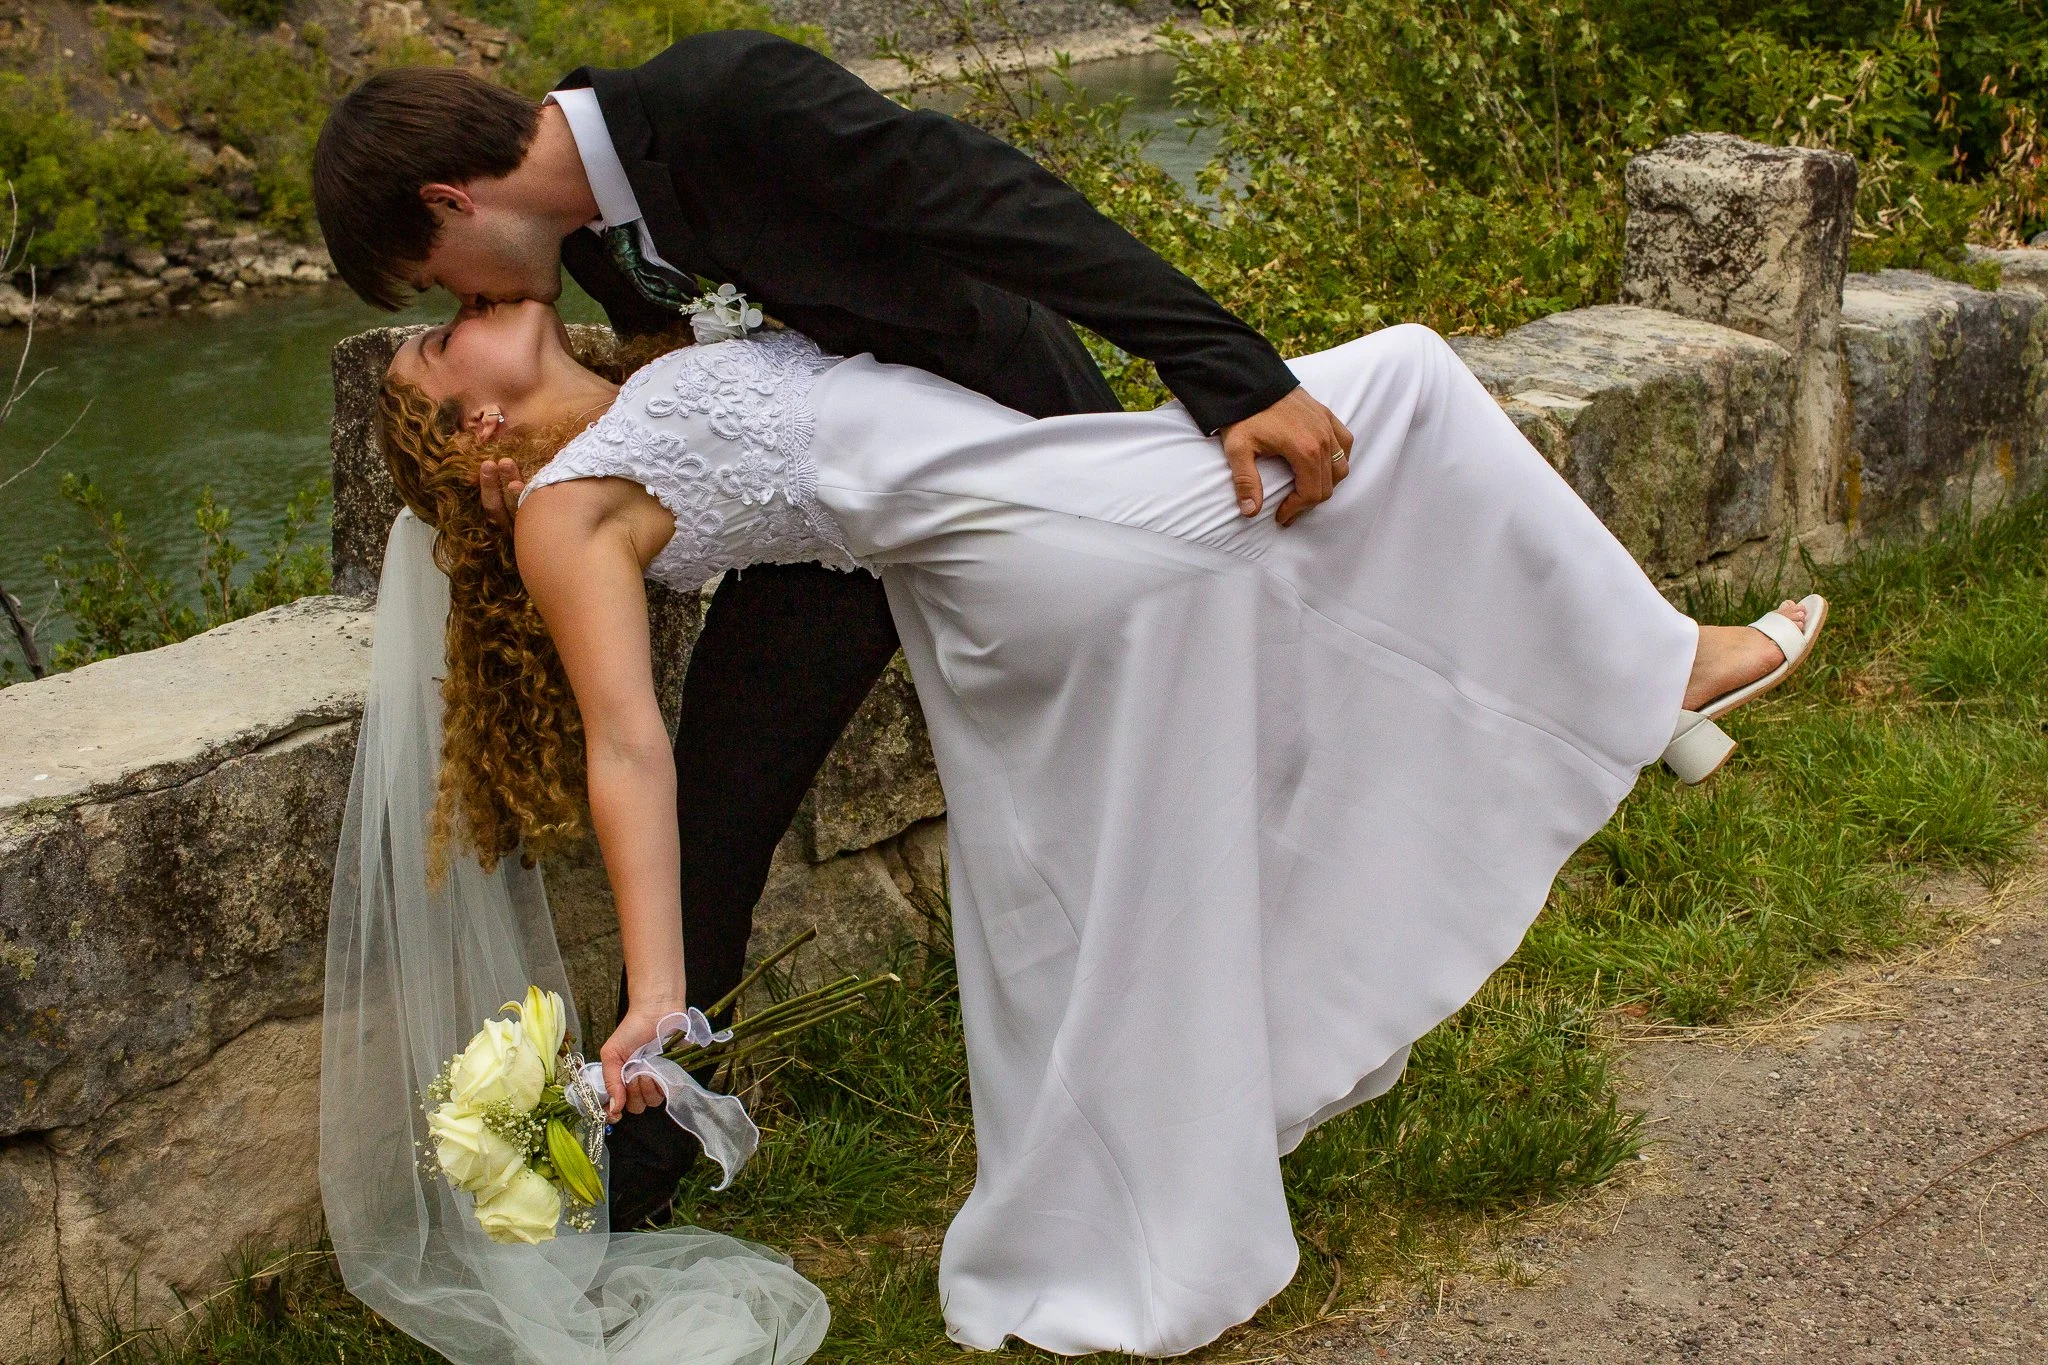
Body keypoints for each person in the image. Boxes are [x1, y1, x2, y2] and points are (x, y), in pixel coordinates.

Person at [368, 296, 1826, 1356]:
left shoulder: (650, 357)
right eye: (446, 333)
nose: (467, 302)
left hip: (1030, 510)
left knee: (1291, 632)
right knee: (1411, 385)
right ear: (475, 423)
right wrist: (663, 990)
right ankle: (1661, 668)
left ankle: (1624, 686)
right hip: (1044, 532)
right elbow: (631, 748)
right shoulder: (565, 511)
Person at [311, 34, 1356, 1229]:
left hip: (998, 448)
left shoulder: (729, 97)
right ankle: (639, 1150)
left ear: (451, 201)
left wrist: (1228, 370)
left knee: (1103, 788)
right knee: (718, 801)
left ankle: (1251, 1042)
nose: (466, 300)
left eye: (437, 278)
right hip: (826, 526)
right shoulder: (589, 245)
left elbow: (1001, 207)